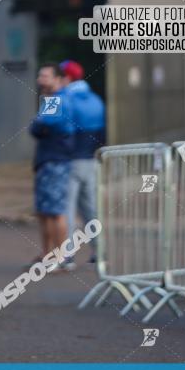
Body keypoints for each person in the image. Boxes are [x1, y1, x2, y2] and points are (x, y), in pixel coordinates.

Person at [28, 64, 74, 271]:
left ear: (57, 79)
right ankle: (48, 255)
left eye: (45, 76)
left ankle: (60, 257)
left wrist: (38, 125)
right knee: (45, 211)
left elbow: (39, 126)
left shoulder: (56, 100)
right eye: (40, 75)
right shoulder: (52, 100)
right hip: (48, 160)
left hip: (55, 161)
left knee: (55, 211)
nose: (41, 79)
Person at [59, 60, 105, 266]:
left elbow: (62, 132)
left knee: (67, 209)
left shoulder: (65, 99)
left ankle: (67, 255)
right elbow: (102, 132)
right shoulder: (95, 99)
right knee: (90, 209)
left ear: (67, 78)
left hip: (71, 161)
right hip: (91, 160)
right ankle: (101, 251)